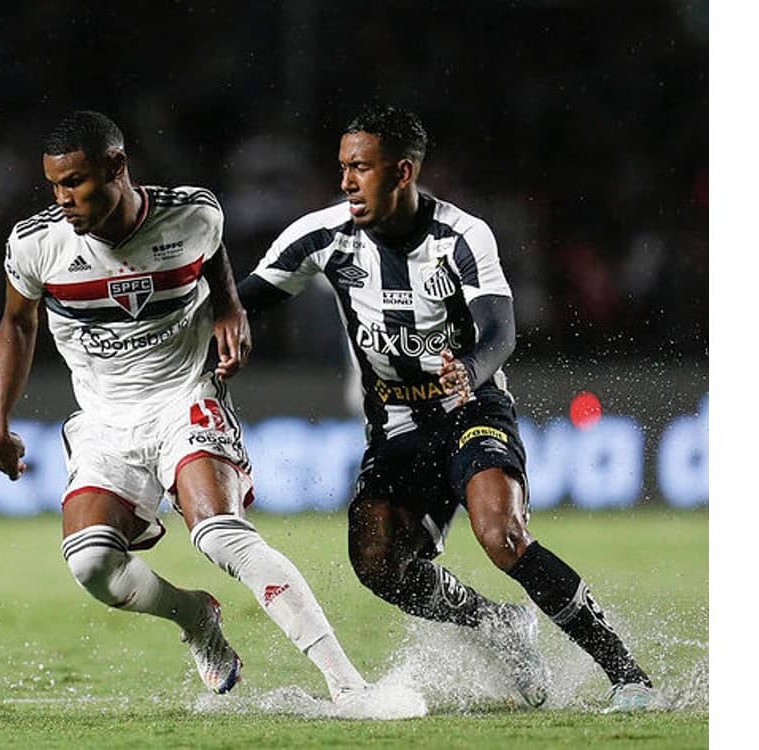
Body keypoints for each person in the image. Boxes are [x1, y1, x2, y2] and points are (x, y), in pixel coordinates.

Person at [0, 110, 407, 713]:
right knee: (93, 565)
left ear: (117, 167)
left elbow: (213, 261)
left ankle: (348, 685)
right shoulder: (36, 244)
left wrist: (231, 308)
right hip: (105, 420)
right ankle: (196, 619)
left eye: (75, 182)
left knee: (222, 535)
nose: (64, 199)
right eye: (54, 185)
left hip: (185, 398)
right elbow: (16, 324)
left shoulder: (193, 214)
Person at [236, 105, 658, 713]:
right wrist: (208, 324)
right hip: (395, 426)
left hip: (471, 408)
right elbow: (245, 299)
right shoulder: (321, 236)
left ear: (402, 172)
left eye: (362, 168)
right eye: (343, 168)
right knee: (379, 564)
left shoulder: (462, 236)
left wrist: (472, 370)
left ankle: (628, 676)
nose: (347, 181)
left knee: (502, 534)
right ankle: (499, 626)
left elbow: (500, 332)